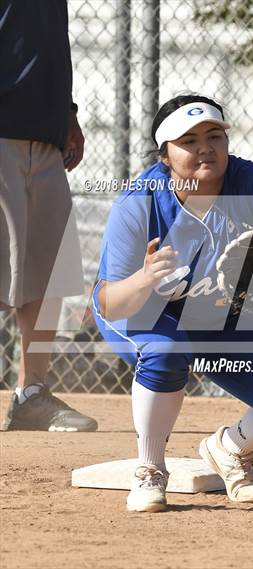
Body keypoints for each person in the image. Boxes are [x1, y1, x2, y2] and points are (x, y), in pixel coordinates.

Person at [94, 94, 253, 512]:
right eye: (189, 140)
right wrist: (146, 276)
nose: (205, 147)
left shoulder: (245, 178)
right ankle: (149, 470)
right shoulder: (138, 203)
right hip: (142, 309)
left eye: (214, 135)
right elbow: (110, 303)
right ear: (165, 155)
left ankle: (230, 448)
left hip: (216, 310)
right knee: (166, 350)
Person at [0, 0, 97, 432]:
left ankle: (32, 395)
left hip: (45, 134)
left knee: (48, 271)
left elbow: (43, 47)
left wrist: (68, 113)